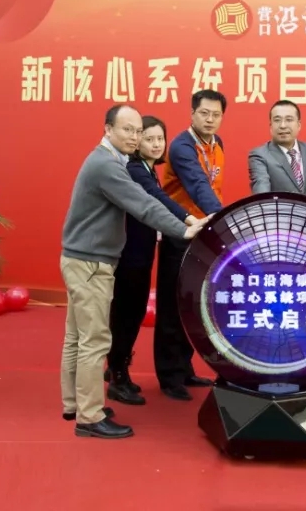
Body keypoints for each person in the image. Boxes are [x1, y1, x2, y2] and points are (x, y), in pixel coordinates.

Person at [60, 105, 209, 440]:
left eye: (138, 131)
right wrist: (183, 229)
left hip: (82, 259)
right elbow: (143, 204)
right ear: (108, 129)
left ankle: (74, 404)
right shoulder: (107, 165)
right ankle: (89, 416)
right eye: (128, 130)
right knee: (94, 341)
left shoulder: (110, 161)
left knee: (77, 338)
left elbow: (147, 200)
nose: (135, 137)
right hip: (91, 263)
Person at [106, 115, 196, 407]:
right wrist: (188, 220)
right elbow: (157, 199)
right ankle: (118, 377)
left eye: (160, 138)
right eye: (149, 139)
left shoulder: (147, 168)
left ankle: (116, 369)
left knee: (130, 314)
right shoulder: (135, 170)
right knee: (127, 316)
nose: (156, 144)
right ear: (137, 142)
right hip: (130, 256)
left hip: (141, 254)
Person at [157, 89, 227, 400]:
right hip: (180, 233)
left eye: (216, 114)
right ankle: (169, 377)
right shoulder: (181, 146)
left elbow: (212, 185)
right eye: (204, 113)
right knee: (172, 305)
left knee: (193, 304)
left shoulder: (217, 143)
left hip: (203, 235)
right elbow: (199, 185)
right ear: (192, 113)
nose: (210, 119)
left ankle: (185, 369)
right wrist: (223, 220)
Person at [248, 100, 306, 197]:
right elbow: (262, 193)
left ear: (299, 125)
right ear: (270, 126)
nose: (283, 126)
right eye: (277, 120)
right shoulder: (260, 155)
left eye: (289, 120)